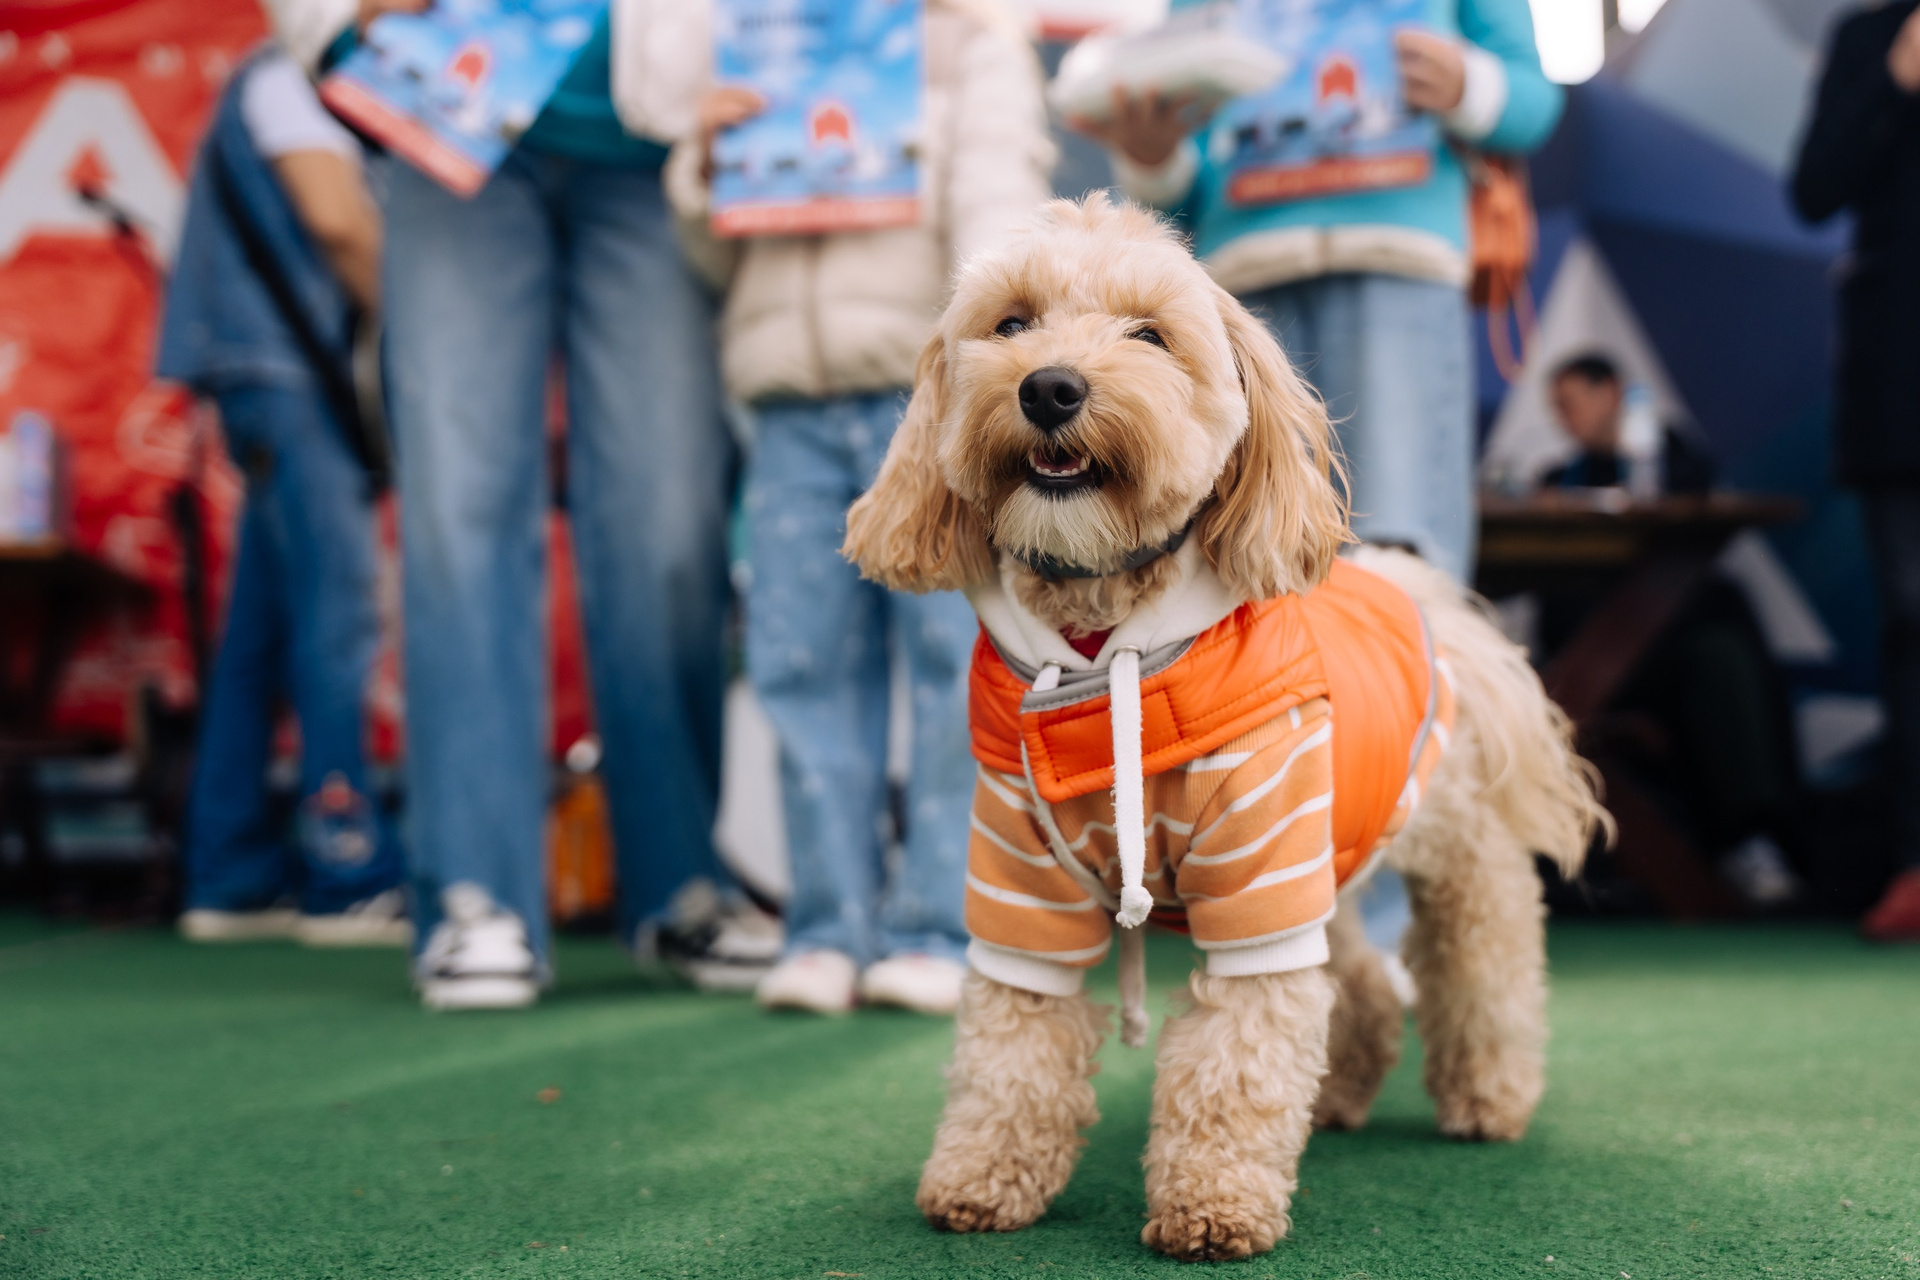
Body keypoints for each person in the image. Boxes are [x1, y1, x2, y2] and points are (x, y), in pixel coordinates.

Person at [267, 0, 773, 1007]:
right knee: (459, 514)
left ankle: (681, 883)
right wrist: (334, 19)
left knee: (671, 527)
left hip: (657, 138)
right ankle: (476, 892)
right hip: (451, 111)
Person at [668, 0, 1055, 1016]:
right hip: (784, 401)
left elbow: (1002, 224)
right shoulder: (759, 41)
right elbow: (711, 259)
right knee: (797, 660)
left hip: (921, 394)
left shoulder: (971, 45)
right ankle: (826, 926)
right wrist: (704, 165)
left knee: (952, 661)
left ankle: (938, 924)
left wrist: (981, 374)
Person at [1077, 0, 1563, 582]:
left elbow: (1534, 102)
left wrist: (1466, 85)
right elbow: (1174, 202)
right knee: (1244, 540)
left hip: (1393, 267)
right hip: (1240, 295)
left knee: (1398, 549)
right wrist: (1153, 156)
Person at [158, 47, 408, 948]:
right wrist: (433, 338)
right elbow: (338, 222)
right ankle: (347, 869)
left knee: (260, 629)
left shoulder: (302, 78)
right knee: (337, 616)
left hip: (283, 376)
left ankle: (229, 871)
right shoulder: (290, 75)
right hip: (285, 378)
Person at [1535, 351, 1803, 907]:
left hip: (1667, 656)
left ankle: (1752, 843)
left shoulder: (1671, 462)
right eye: (1556, 407)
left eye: (1571, 403)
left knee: (1723, 657)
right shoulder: (1556, 482)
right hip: (1589, 659)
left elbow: (1692, 496)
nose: (1565, 418)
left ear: (1611, 392)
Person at [1792, 0, 1920, 941]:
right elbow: (1814, 189)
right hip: (1900, 386)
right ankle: (1915, 864)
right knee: (1914, 625)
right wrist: (1895, 83)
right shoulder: (1870, 38)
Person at [1540, 352, 1715, 494]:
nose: (1561, 419)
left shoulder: (1675, 459)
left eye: (1568, 405)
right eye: (1557, 409)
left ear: (1610, 393)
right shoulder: (1568, 477)